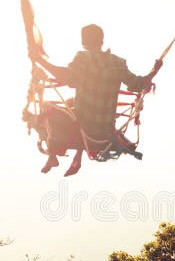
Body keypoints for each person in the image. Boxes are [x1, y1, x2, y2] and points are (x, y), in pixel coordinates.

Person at [32, 24, 162, 176]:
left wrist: (41, 61)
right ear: (101, 41)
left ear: (83, 42)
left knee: (45, 111)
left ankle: (53, 154)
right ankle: (70, 157)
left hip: (83, 126)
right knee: (71, 102)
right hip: (104, 130)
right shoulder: (118, 63)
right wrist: (155, 70)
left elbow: (67, 77)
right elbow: (139, 84)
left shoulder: (83, 58)